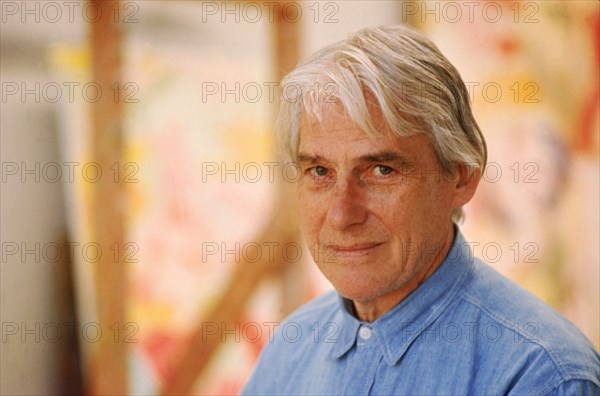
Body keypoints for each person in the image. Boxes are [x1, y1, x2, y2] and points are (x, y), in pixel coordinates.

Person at [242, 25, 599, 395]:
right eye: (320, 172)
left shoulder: (542, 375)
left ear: (462, 178)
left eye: (382, 170)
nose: (341, 214)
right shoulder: (289, 352)